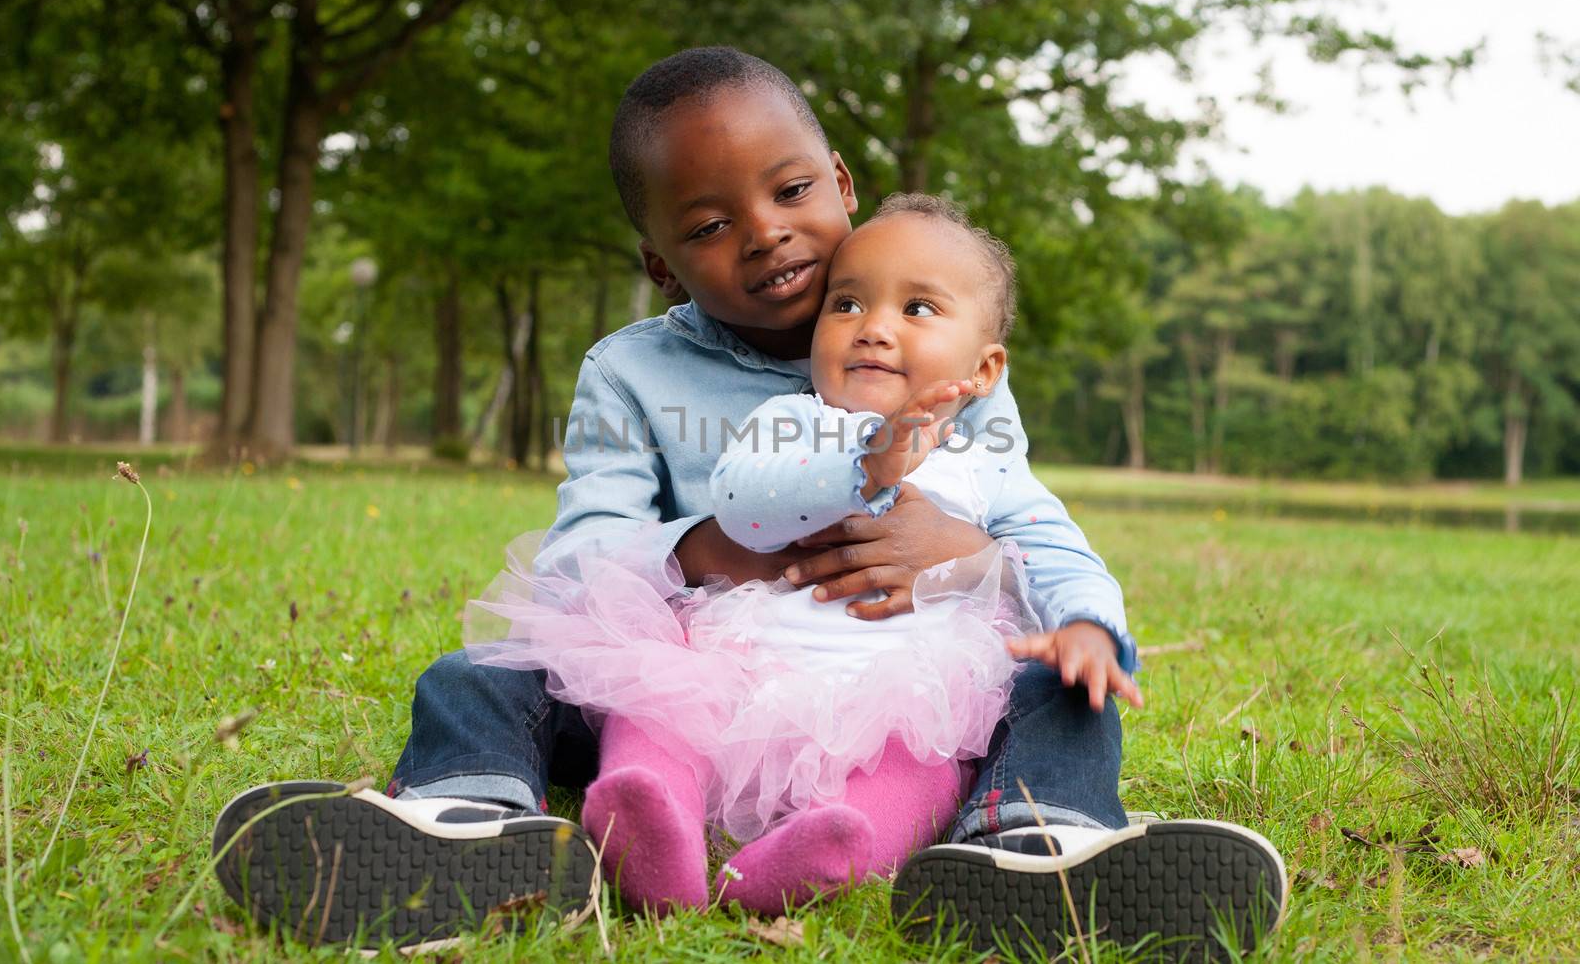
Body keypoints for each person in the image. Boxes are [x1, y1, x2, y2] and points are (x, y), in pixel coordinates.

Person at [213, 47, 1285, 956]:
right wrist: (716, 547)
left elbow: (1031, 522)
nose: (766, 232)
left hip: (896, 688)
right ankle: (467, 815)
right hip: (694, 683)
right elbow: (581, 557)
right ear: (662, 265)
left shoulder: (944, 353)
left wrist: (982, 561)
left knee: (1062, 679)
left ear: (842, 181)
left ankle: (1032, 841)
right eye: (711, 223)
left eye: (788, 191)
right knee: (483, 669)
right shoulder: (631, 372)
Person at [466, 192, 1132, 916]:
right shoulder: (792, 421)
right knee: (655, 711)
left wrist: (1089, 626)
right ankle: (650, 815)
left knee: (926, 767)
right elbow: (744, 501)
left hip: (902, 696)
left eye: (917, 310)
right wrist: (866, 466)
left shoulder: (987, 457)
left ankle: (831, 850)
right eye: (846, 305)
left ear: (986, 366)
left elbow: (1056, 547)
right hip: (740, 667)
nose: (874, 328)